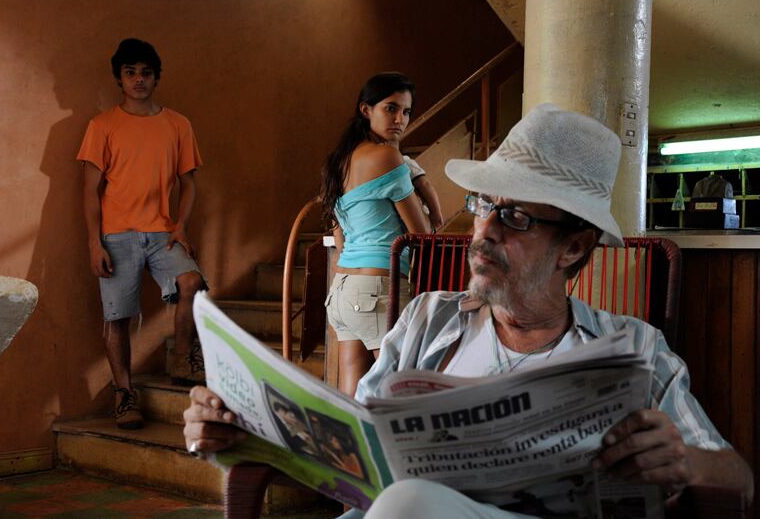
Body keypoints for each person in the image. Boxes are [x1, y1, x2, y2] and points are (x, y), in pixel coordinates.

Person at [183, 104, 754, 516]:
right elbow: (355, 454)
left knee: (410, 504)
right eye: (484, 204)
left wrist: (684, 461)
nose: (484, 231)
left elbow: (739, 480)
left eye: (516, 217)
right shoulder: (428, 320)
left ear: (573, 248)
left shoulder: (633, 350)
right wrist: (242, 431)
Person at [79, 38, 206, 429]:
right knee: (118, 318)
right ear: (119, 78)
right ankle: (124, 395)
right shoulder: (102, 126)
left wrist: (181, 225)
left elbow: (189, 183)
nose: (138, 80)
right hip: (117, 236)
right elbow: (90, 190)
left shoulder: (178, 124)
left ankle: (182, 359)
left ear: (156, 78)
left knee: (192, 282)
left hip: (162, 233)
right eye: (130, 72)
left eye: (146, 73)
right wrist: (94, 242)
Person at [320, 72, 431, 397]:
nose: (400, 119)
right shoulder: (387, 156)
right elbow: (421, 233)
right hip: (378, 288)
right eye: (391, 108)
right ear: (366, 109)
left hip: (342, 290)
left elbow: (340, 239)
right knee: (398, 395)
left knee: (353, 399)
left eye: (406, 112)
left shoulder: (338, 162)